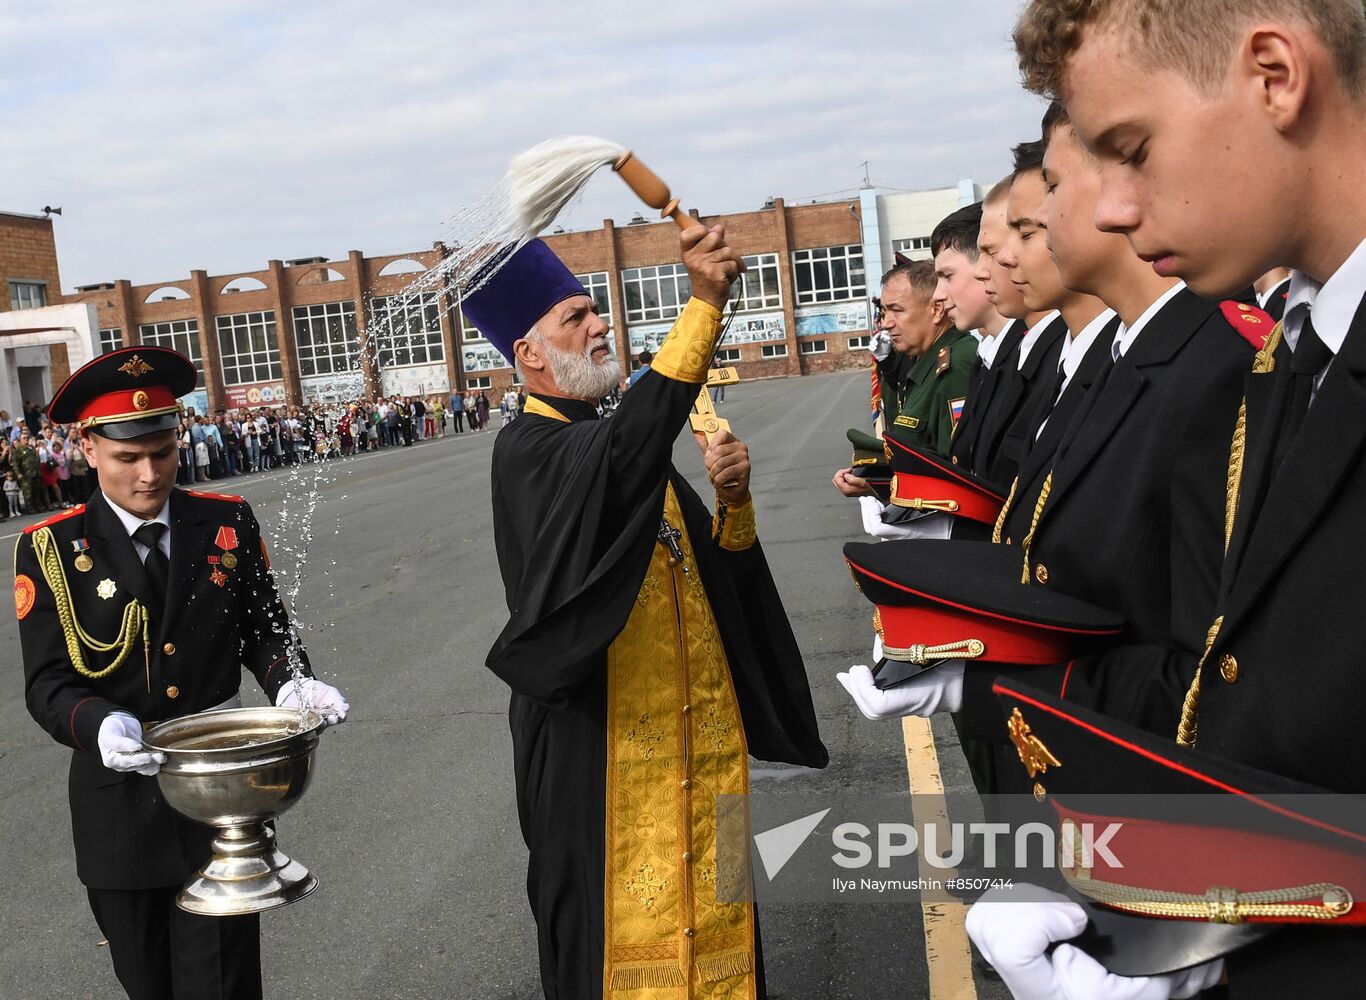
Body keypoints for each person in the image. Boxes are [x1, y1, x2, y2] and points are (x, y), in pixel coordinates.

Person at [473, 231, 826, 998]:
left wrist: (734, 502)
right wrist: (704, 305)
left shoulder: (612, 446)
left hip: (690, 746)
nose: (600, 326)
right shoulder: (531, 448)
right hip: (595, 747)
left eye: (597, 310)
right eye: (577, 316)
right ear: (530, 354)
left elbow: (712, 568)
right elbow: (630, 448)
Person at [14, 346, 350, 1000]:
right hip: (121, 818)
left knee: (223, 985)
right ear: (87, 449)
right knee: (149, 985)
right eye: (127, 458)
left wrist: (290, 681)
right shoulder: (51, 549)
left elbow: (264, 628)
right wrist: (96, 725)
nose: (149, 474)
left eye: (162, 452)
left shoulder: (223, 522)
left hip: (220, 807)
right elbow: (47, 682)